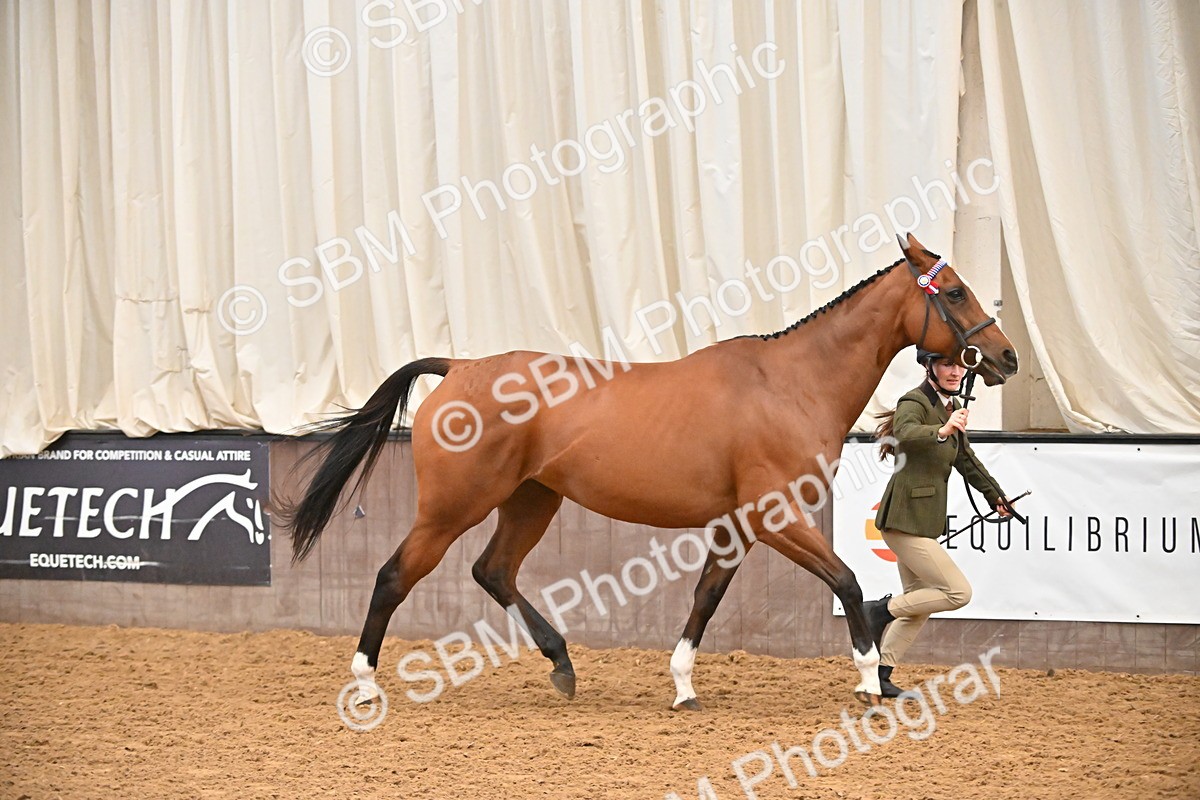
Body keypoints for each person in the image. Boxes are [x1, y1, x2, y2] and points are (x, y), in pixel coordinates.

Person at [863, 349, 1011, 697]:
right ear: (929, 367)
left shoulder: (950, 408)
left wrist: (997, 497)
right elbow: (905, 432)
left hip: (921, 521)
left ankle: (880, 675)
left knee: (919, 604)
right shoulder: (913, 401)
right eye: (947, 364)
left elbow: (967, 460)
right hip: (902, 521)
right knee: (958, 592)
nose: (955, 371)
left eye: (959, 364)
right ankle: (878, 610)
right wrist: (942, 430)